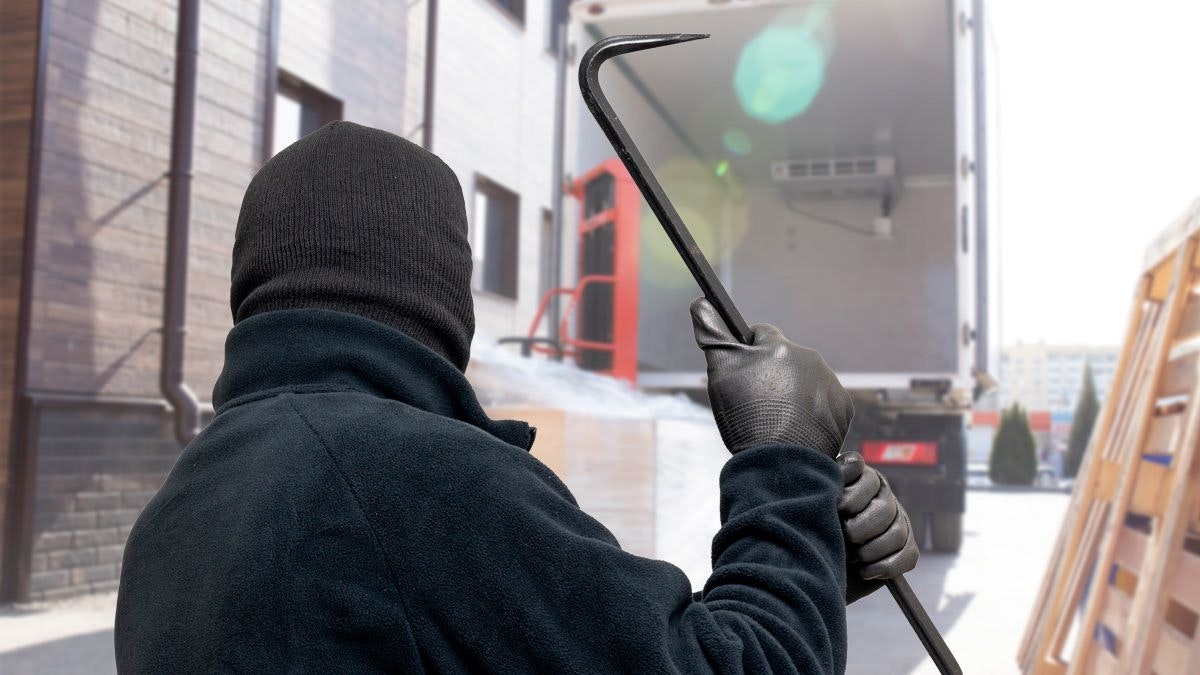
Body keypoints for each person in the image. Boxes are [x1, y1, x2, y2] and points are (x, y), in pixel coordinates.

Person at [115, 122, 917, 673]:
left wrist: (798, 569)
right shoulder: (411, 478)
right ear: (439, 286)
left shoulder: (177, 513)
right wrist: (783, 455)